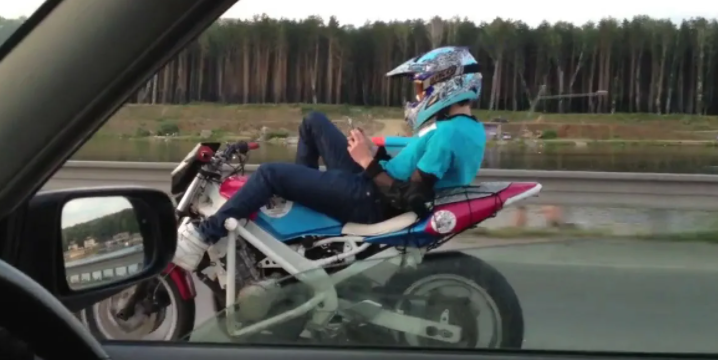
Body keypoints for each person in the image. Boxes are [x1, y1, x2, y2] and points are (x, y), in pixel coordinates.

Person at [173, 46, 487, 272]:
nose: (418, 97)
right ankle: (303, 210)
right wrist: (373, 153)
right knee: (313, 122)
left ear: (445, 84)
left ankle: (204, 236)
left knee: (269, 174)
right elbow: (410, 170)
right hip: (371, 183)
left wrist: (366, 162)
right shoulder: (462, 127)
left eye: (421, 88)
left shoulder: (448, 134)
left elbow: (410, 198)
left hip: (370, 198)